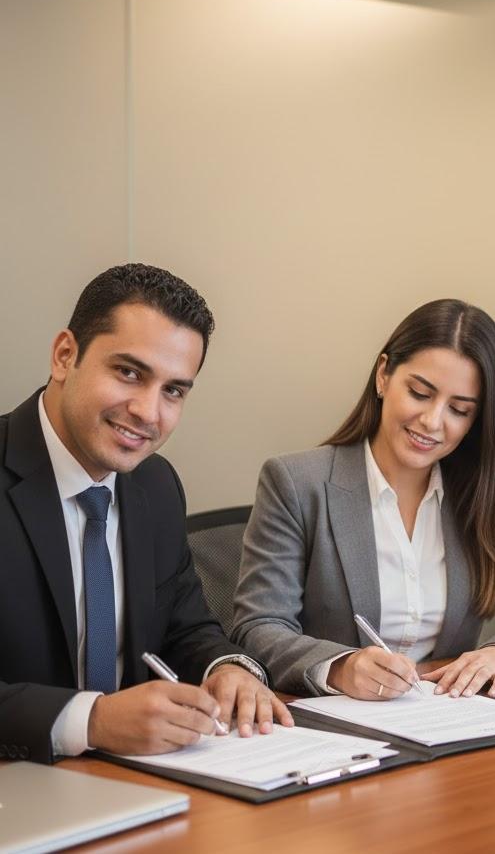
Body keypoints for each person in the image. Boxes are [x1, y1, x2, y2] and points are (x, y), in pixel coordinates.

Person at [0, 264, 292, 765]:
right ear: (65, 355)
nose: (148, 412)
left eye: (173, 390)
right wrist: (92, 721)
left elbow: (187, 628)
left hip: (136, 782)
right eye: (129, 373)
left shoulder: (156, 485)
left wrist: (227, 668)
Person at [233, 299, 495, 700]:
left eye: (459, 410)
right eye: (420, 393)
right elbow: (257, 627)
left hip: (443, 719)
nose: (433, 422)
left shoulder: (481, 497)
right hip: (335, 720)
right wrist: (342, 667)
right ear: (383, 375)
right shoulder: (297, 483)